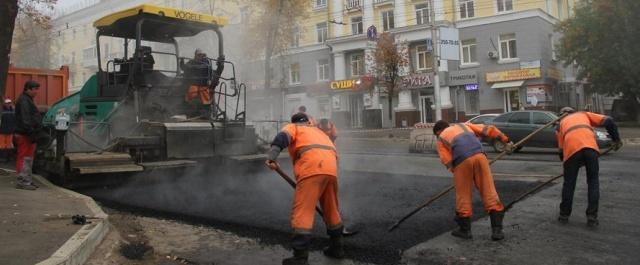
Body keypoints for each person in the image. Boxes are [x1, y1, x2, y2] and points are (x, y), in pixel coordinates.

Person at [265, 112, 343, 265]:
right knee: (331, 209)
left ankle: (300, 257)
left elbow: (282, 138)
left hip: (311, 170)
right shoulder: (318, 131)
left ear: (294, 122)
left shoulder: (293, 127)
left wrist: (271, 158)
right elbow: (333, 149)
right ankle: (337, 247)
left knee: (303, 212)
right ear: (308, 121)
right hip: (332, 170)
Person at [433, 120, 514, 240]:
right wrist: (506, 141)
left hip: (461, 161)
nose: (437, 137)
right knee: (489, 191)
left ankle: (465, 230)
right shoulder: (464, 125)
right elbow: (489, 129)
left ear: (438, 131)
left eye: (436, 135)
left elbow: (448, 161)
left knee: (463, 195)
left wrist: (461, 175)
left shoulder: (441, 139)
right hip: (480, 156)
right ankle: (497, 231)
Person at [555, 107, 622, 227]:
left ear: (561, 115)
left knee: (569, 184)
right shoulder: (583, 114)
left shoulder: (560, 125)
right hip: (591, 149)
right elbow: (609, 121)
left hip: (571, 151)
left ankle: (564, 215)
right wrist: (616, 139)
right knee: (593, 182)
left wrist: (570, 165)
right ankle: (592, 217)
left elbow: (561, 151)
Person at [14, 81, 44, 190]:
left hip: (27, 133)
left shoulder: (26, 99)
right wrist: (32, 132)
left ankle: (27, 180)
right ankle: (23, 181)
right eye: (35, 89)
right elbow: (25, 118)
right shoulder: (24, 101)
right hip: (25, 134)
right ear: (28, 89)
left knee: (28, 158)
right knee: (24, 157)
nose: (36, 92)